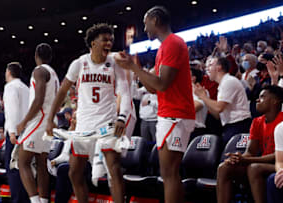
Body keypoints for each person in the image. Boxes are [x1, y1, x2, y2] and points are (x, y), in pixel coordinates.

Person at [114, 6, 196, 203]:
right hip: (169, 114)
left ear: (156, 20)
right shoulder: (165, 47)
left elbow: (162, 83)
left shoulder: (173, 43)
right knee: (168, 172)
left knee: (169, 172)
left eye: (145, 22)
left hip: (176, 115)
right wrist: (133, 69)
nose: (144, 27)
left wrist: (133, 66)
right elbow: (153, 88)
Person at [46, 23, 131, 203]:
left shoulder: (115, 63)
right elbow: (62, 91)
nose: (109, 43)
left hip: (107, 124)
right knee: (74, 173)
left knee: (114, 170)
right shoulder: (79, 63)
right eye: (104, 40)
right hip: (84, 125)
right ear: (93, 43)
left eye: (111, 40)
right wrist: (50, 118)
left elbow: (125, 92)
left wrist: (122, 117)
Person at [216, 85, 283, 203]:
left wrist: (247, 160)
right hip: (262, 164)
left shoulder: (281, 122)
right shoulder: (257, 122)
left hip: (279, 165)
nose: (257, 100)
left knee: (254, 168)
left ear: (274, 101)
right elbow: (250, 151)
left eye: (262, 97)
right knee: (224, 167)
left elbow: (277, 156)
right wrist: (238, 158)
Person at [16, 43, 60, 203]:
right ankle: (43, 200)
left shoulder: (39, 70)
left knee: (23, 161)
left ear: (36, 56)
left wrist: (24, 121)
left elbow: (39, 99)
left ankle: (35, 201)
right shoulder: (54, 73)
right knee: (42, 164)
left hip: (40, 120)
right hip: (49, 120)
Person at [194, 57, 251, 146]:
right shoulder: (223, 83)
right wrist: (204, 98)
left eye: (210, 65)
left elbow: (219, 108)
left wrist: (203, 96)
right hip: (230, 126)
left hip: (239, 125)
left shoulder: (228, 81)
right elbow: (217, 115)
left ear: (219, 67)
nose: (207, 69)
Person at [2, 62, 30, 203]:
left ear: (9, 72)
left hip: (16, 133)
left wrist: (12, 132)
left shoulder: (10, 87)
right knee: (24, 168)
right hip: (27, 132)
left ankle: (17, 200)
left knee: (13, 168)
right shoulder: (26, 88)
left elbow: (12, 110)